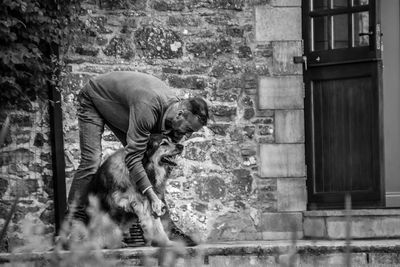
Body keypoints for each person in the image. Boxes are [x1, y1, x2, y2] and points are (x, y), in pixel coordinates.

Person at [67, 71, 209, 244]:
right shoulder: (147, 109)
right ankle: (74, 224)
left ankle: (153, 229)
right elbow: (133, 159)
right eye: (186, 130)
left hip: (123, 107)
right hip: (95, 98)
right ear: (180, 114)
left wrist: (154, 196)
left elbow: (153, 171)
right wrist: (152, 195)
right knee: (92, 160)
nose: (184, 136)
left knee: (147, 165)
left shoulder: (172, 116)